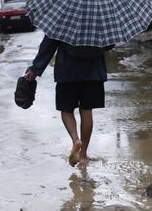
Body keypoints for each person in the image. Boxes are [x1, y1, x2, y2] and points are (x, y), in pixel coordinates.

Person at [25, 36, 111, 167]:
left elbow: (50, 43)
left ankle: (76, 140)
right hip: (93, 71)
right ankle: (83, 156)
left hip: (67, 70)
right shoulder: (100, 23)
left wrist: (36, 68)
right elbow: (109, 44)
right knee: (87, 111)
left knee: (66, 110)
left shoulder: (63, 22)